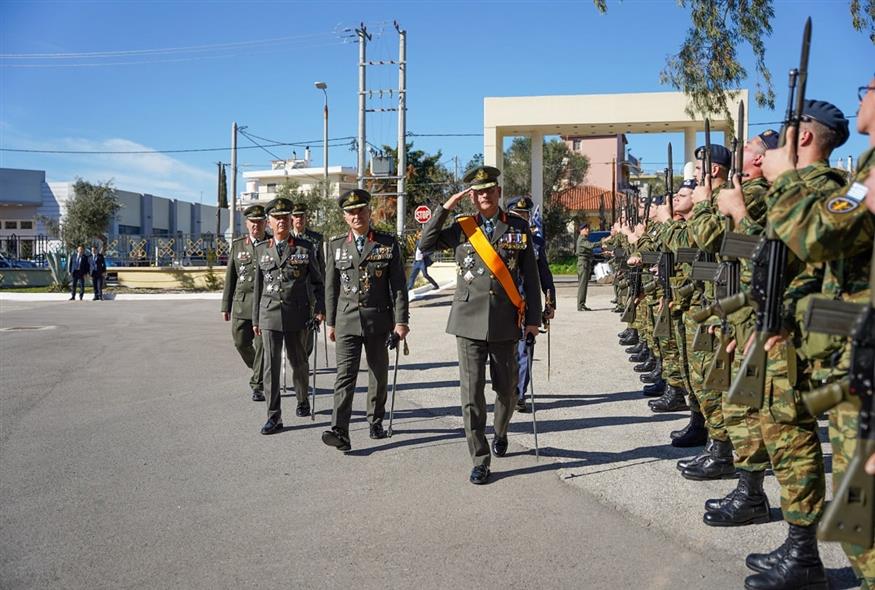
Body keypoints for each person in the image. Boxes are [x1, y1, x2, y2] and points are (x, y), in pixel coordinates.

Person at [420, 166, 541, 485]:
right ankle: (480, 457)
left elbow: (531, 274)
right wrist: (445, 208)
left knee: (508, 391)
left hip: (505, 321)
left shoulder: (518, 227)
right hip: (468, 322)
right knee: (471, 395)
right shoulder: (463, 227)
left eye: (489, 190)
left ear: (498, 192)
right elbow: (426, 243)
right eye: (477, 191)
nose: (484, 195)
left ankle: (500, 430)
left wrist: (533, 321)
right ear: (471, 196)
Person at [321, 189, 409, 452]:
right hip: (347, 321)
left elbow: (399, 287)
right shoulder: (336, 245)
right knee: (344, 377)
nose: (356, 215)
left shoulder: (387, 243)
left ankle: (375, 420)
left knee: (377, 374)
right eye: (350, 212)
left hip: (378, 320)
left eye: (360, 210)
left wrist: (401, 321)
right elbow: (331, 287)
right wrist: (331, 322)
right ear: (345, 217)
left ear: (369, 212)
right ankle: (340, 429)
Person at [253, 197, 325, 434]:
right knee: (270, 368)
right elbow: (258, 287)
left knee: (299, 363)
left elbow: (317, 281)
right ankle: (274, 416)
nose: (282, 221)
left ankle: (302, 399)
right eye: (277, 218)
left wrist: (319, 308)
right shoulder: (262, 249)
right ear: (269, 222)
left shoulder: (304, 248)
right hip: (270, 315)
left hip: (297, 314)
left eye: (285, 217)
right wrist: (256, 319)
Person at [506, 196, 555, 413]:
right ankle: (505, 390)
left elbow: (545, 274)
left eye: (526, 215)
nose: (524, 220)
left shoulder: (536, 243)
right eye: (519, 216)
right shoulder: (496, 238)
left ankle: (518, 394)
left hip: (526, 304)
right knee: (503, 353)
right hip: (501, 305)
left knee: (524, 350)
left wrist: (550, 301)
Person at [221, 204, 270, 401]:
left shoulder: (272, 244)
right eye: (252, 222)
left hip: (265, 305)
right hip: (242, 303)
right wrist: (226, 306)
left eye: (259, 222)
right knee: (240, 342)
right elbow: (230, 277)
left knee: (263, 345)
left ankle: (257, 384)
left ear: (265, 223)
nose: (255, 226)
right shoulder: (238, 245)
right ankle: (260, 368)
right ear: (247, 224)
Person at [576, 224, 594, 310]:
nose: (588, 230)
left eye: (588, 228)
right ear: (581, 230)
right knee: (582, 285)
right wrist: (602, 242)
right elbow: (591, 246)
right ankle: (580, 305)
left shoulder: (584, 238)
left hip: (585, 262)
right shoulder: (582, 239)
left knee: (584, 284)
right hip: (583, 264)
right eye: (586, 228)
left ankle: (582, 304)